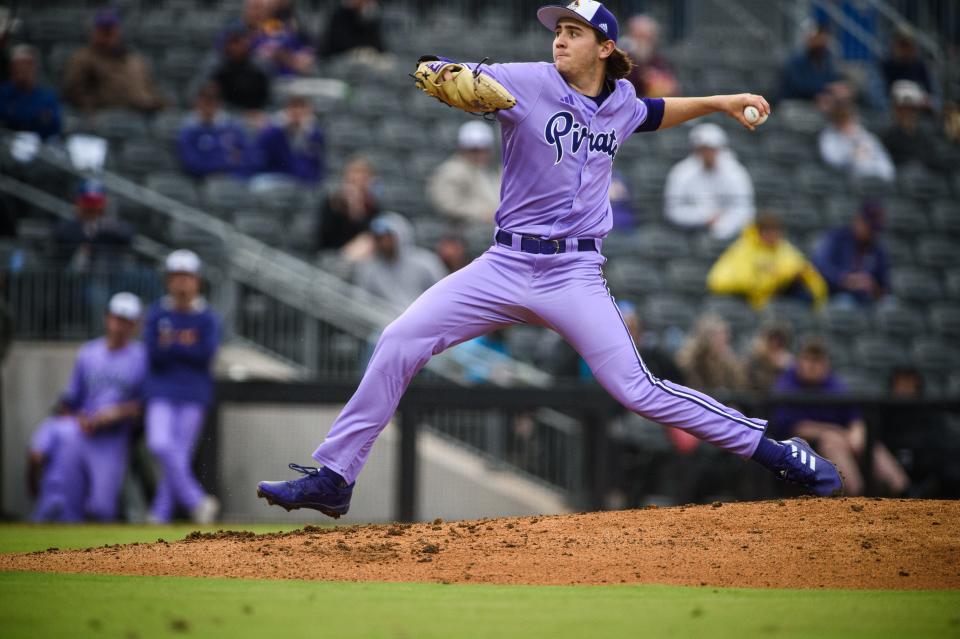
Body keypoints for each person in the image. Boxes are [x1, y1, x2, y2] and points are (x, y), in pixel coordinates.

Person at [257, 1, 842, 518]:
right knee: (399, 338)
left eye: (574, 31)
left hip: (573, 274)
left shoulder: (622, 103)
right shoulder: (531, 81)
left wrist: (718, 103)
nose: (560, 38)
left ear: (605, 48)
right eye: (557, 29)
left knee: (637, 389)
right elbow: (459, 75)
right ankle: (336, 477)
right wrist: (440, 70)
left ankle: (776, 450)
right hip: (504, 264)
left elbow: (656, 112)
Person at [29, 293, 147, 522]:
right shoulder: (89, 352)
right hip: (81, 430)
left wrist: (116, 413)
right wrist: (79, 417)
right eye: (116, 318)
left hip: (113, 436)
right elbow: (69, 399)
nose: (120, 325)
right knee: (62, 502)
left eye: (127, 320)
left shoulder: (141, 357)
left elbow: (144, 405)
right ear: (107, 318)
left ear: (135, 325)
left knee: (102, 508)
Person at [772, 337, 909, 497]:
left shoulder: (832, 384)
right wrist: (836, 432)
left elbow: (854, 417)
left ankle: (901, 489)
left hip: (841, 439)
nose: (812, 366)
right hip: (801, 449)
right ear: (799, 361)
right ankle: (853, 495)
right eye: (808, 359)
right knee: (832, 440)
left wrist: (857, 433)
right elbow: (794, 427)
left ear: (826, 363)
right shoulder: (787, 384)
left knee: (867, 442)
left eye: (818, 360)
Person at [143, 250, 222, 524]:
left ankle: (159, 515)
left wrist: (172, 346)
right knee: (160, 444)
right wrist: (185, 345)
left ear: (196, 281)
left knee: (177, 455)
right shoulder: (156, 313)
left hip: (193, 394)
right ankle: (197, 501)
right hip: (161, 391)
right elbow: (153, 354)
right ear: (168, 281)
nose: (181, 284)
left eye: (186, 277)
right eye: (176, 277)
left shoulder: (207, 317)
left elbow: (205, 355)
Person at [707, 212, 828, 310]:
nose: (773, 236)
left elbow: (807, 273)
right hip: (749, 301)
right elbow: (719, 279)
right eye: (769, 232)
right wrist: (772, 280)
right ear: (760, 232)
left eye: (776, 232)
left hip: (781, 295)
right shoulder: (744, 249)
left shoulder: (785, 249)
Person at [62, 8, 166, 113]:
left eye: (111, 29)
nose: (108, 34)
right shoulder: (84, 58)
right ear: (94, 31)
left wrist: (160, 104)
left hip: (145, 115)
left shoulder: (134, 59)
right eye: (103, 30)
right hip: (110, 116)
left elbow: (151, 88)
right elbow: (73, 91)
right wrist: (94, 111)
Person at [663, 123, 755, 240]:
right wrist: (704, 217)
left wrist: (722, 226)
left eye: (711, 149)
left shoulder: (736, 173)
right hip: (690, 234)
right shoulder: (681, 172)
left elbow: (745, 209)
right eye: (703, 149)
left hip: (731, 235)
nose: (707, 154)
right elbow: (672, 210)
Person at [352, 212, 447, 310]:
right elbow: (362, 301)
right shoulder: (368, 268)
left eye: (387, 237)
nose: (382, 242)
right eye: (378, 238)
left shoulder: (426, 262)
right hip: (382, 322)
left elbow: (443, 295)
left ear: (400, 235)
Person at [814, 200, 889, 307]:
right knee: (845, 303)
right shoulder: (838, 238)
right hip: (836, 295)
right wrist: (846, 279)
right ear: (858, 221)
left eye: (875, 229)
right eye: (869, 227)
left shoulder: (877, 249)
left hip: (867, 299)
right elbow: (820, 265)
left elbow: (884, 286)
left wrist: (872, 285)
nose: (872, 233)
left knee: (889, 305)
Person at [427, 121, 501, 226]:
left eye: (483, 150)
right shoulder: (452, 170)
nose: (478, 154)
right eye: (473, 150)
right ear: (462, 149)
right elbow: (448, 204)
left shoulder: (491, 170)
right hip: (464, 229)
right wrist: (482, 213)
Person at [53, 179, 133, 272]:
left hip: (109, 278)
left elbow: (128, 235)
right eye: (88, 202)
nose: (91, 208)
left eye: (95, 203)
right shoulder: (68, 226)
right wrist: (88, 230)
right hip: (73, 280)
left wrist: (98, 228)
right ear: (78, 203)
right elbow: (60, 233)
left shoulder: (111, 225)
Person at [176, 84, 252, 180]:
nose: (210, 105)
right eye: (206, 100)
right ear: (198, 102)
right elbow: (192, 164)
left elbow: (246, 156)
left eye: (214, 100)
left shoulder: (232, 128)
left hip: (234, 178)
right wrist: (226, 161)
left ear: (219, 103)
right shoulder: (188, 131)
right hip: (202, 181)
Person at [251, 95, 324, 186]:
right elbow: (262, 155)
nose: (298, 115)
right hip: (277, 175)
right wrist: (281, 128)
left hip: (303, 180)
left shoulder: (314, 134)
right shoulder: (275, 132)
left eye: (301, 110)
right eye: (294, 110)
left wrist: (304, 134)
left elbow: (316, 165)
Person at [880, 80, 950, 173]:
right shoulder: (888, 136)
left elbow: (934, 158)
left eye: (913, 109)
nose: (909, 113)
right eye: (904, 108)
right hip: (905, 178)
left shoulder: (924, 134)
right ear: (896, 109)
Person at [819, 100, 895, 183]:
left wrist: (883, 176)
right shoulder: (829, 136)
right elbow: (832, 161)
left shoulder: (865, 135)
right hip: (847, 181)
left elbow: (885, 162)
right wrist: (851, 155)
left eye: (848, 116)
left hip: (875, 179)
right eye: (841, 116)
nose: (846, 121)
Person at [317, 156, 380, 251]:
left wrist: (357, 209)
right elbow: (324, 236)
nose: (357, 177)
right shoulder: (333, 201)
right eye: (354, 172)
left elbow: (369, 235)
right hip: (333, 253)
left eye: (362, 173)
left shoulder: (372, 205)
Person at [0, 44, 62, 140]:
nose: (23, 69)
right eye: (18, 65)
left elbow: (55, 124)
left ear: (34, 67)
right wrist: (37, 116)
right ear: (12, 68)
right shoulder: (4, 92)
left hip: (39, 144)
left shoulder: (46, 94)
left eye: (28, 64)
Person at [209, 21, 271, 112]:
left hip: (256, 114)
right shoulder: (218, 68)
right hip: (226, 114)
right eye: (233, 42)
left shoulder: (260, 67)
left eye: (241, 41)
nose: (237, 47)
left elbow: (268, 98)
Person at [675, 314, 745, 393]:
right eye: (719, 337)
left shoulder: (730, 363)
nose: (724, 340)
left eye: (725, 336)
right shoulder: (691, 362)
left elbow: (739, 390)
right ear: (706, 339)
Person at [243, 0, 315, 77]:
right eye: (254, 8)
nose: (256, 13)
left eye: (260, 8)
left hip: (285, 81)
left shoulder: (280, 30)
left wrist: (282, 55)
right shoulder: (238, 34)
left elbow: (305, 59)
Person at [779, 23, 844, 103]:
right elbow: (799, 86)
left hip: (819, 101)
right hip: (795, 102)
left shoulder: (826, 60)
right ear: (809, 40)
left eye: (823, 40)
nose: (820, 43)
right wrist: (826, 89)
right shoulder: (795, 61)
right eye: (817, 40)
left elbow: (832, 79)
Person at [620, 14, 678, 98]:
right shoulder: (622, 58)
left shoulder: (658, 60)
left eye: (648, 38)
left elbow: (672, 88)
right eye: (640, 36)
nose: (643, 42)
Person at [322, 0, 387, 59]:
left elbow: (378, 45)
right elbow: (341, 44)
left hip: (362, 61)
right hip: (336, 60)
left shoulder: (368, 17)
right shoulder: (340, 15)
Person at [743, 319, 794, 393]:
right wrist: (768, 364)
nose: (774, 345)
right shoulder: (753, 360)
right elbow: (748, 388)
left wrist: (785, 367)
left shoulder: (789, 365)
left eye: (779, 342)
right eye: (771, 340)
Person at [881, 29, 933, 97]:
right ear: (893, 46)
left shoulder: (921, 67)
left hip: (919, 106)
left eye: (908, 46)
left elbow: (935, 97)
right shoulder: (884, 66)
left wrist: (928, 101)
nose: (905, 50)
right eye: (902, 45)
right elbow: (877, 96)